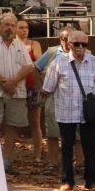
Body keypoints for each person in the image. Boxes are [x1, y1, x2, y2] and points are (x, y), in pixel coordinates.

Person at [41, 30, 95, 191]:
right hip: (65, 110)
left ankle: (91, 180)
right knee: (67, 146)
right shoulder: (58, 63)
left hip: (87, 113)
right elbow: (48, 88)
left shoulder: (94, 61)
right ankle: (67, 181)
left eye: (84, 44)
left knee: (90, 146)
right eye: (77, 44)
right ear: (69, 44)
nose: (81, 47)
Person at [0, 12, 37, 175]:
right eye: (6, 24)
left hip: (16, 93)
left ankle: (6, 161)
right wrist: (4, 82)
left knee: (13, 127)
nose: (10, 28)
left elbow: (29, 67)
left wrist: (13, 82)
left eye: (13, 25)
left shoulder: (20, 44)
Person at [36, 26, 75, 173]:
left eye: (71, 39)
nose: (68, 42)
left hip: (74, 99)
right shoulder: (52, 52)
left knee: (76, 134)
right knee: (52, 132)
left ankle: (79, 164)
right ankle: (53, 163)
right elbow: (35, 68)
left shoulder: (84, 52)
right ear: (61, 40)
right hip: (53, 97)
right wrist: (41, 87)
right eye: (65, 39)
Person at [16, 19, 44, 163]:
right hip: (16, 87)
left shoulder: (34, 44)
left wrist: (27, 65)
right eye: (21, 27)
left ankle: (38, 155)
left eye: (26, 27)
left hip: (33, 86)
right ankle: (11, 156)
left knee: (35, 122)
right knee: (13, 122)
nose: (24, 30)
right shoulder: (11, 45)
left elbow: (39, 63)